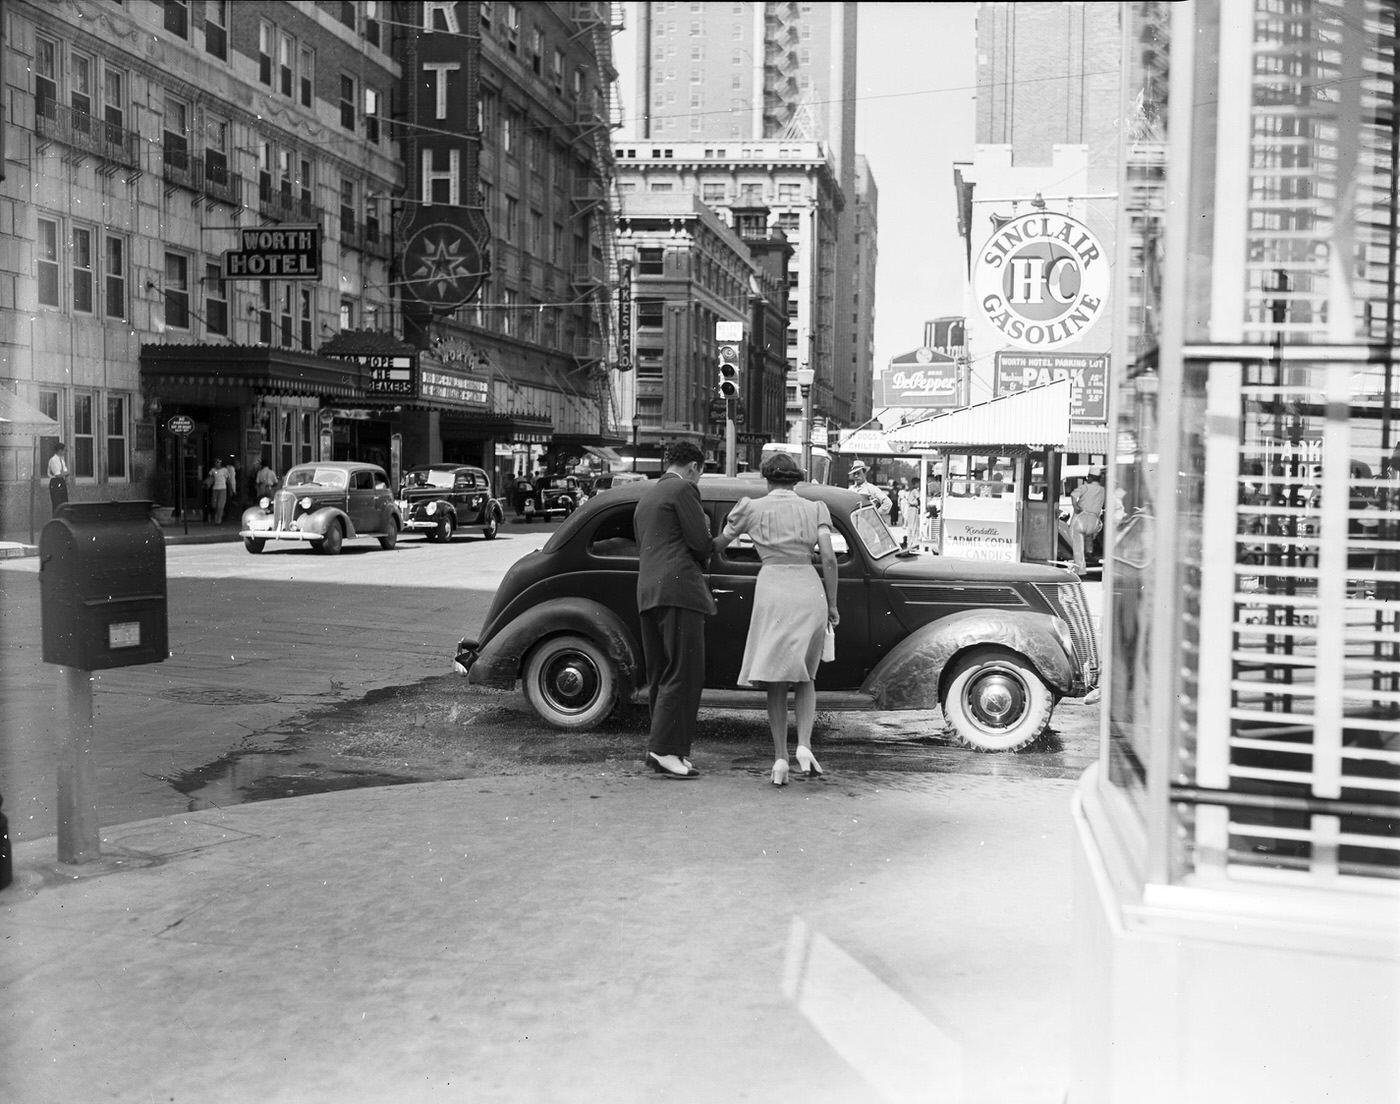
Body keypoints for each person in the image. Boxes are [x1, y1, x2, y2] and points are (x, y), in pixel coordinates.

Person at [712, 451, 839, 786]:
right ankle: (805, 746)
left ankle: (780, 757)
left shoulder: (751, 508)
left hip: (773, 591)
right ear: (796, 479)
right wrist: (833, 603)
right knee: (807, 675)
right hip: (809, 590)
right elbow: (828, 557)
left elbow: (719, 545)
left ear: (766, 479)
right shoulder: (815, 509)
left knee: (777, 680)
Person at [633, 440, 715, 778]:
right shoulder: (684, 490)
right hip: (679, 589)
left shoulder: (648, 495)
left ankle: (662, 748)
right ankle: (666, 750)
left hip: (649, 590)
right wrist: (726, 532)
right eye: (701, 472)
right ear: (694, 467)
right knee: (684, 671)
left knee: (662, 673)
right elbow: (702, 546)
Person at [1069, 469, 1107, 574]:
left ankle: (1080, 570)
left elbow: (1073, 495)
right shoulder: (1103, 490)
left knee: (1078, 543)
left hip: (1082, 518)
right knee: (1089, 536)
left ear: (1090, 477)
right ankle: (1089, 552)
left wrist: (1075, 505)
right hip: (1094, 521)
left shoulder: (1085, 487)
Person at [209, 457, 235, 524]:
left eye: (219, 462)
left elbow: (228, 480)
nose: (217, 463)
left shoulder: (224, 470)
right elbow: (210, 479)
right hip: (215, 489)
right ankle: (216, 516)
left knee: (220, 505)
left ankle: (218, 520)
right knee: (214, 504)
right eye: (216, 462)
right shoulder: (213, 470)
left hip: (223, 489)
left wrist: (231, 489)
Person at [47, 442, 69, 512]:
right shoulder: (53, 460)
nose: (65, 452)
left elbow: (66, 472)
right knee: (57, 504)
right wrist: (65, 473)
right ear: (60, 450)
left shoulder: (61, 460)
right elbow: (58, 474)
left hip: (61, 481)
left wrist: (65, 473)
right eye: (64, 450)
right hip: (55, 483)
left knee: (64, 503)